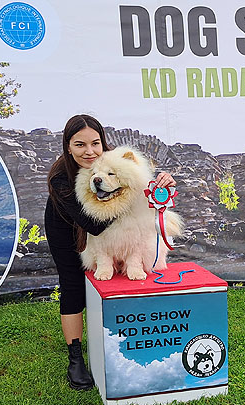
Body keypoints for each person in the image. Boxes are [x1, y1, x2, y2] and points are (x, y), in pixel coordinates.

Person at [46, 114, 176, 390]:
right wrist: (127, 195)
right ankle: (75, 358)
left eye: (95, 143)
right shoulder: (60, 177)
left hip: (113, 224)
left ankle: (116, 340)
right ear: (68, 146)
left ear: (103, 142)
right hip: (68, 227)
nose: (89, 151)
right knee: (73, 288)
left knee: (116, 281)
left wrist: (157, 185)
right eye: (80, 144)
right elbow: (93, 225)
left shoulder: (114, 161)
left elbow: (138, 182)